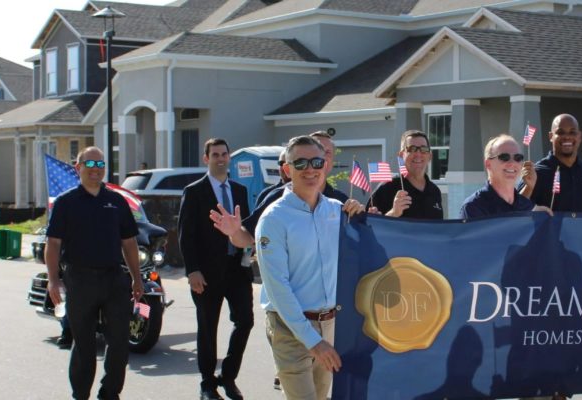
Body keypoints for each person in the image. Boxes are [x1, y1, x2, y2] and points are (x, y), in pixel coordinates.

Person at [211, 135, 364, 400]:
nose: (310, 169)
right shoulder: (273, 218)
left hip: (330, 324)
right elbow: (277, 287)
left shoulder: (337, 211)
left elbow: (363, 253)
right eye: (300, 163)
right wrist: (313, 342)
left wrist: (359, 214)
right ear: (286, 169)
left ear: (325, 165)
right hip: (290, 326)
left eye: (316, 161)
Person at [45, 146, 143, 400]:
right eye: (90, 165)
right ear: (78, 168)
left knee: (120, 342)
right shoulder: (66, 203)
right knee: (85, 345)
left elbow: (129, 242)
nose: (96, 170)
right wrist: (53, 280)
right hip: (80, 279)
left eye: (100, 165)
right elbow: (53, 243)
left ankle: (109, 393)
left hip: (113, 278)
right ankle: (81, 394)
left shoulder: (116, 201)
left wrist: (137, 278)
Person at [178, 138, 253, 400]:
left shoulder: (240, 190)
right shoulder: (194, 191)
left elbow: (245, 228)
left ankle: (228, 377)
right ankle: (207, 384)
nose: (220, 158)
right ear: (206, 158)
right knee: (208, 327)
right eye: (215, 154)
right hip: (206, 273)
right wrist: (192, 271)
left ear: (229, 157)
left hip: (237, 270)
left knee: (245, 321)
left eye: (224, 154)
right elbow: (185, 235)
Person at [519, 114, 582, 212]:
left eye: (572, 132)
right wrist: (528, 187)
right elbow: (517, 210)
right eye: (560, 132)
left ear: (579, 137)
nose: (567, 137)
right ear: (551, 136)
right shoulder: (536, 172)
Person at [461, 134, 551, 219]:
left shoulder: (527, 206)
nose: (512, 163)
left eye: (518, 158)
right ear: (488, 164)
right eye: (504, 157)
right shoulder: (474, 207)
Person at [368, 130, 444, 219]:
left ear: (430, 156)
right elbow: (368, 226)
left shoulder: (434, 191)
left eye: (424, 149)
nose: (418, 154)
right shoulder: (386, 188)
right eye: (412, 149)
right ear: (401, 155)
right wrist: (393, 213)